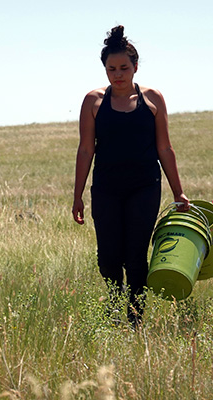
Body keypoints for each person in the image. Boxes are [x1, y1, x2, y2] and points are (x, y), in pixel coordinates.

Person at [72, 26, 189, 327]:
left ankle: (135, 319)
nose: (118, 74)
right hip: (107, 189)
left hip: (144, 187)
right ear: (105, 70)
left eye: (124, 67)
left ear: (135, 67)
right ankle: (114, 307)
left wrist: (178, 192)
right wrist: (77, 196)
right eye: (112, 69)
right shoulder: (93, 102)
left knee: (135, 256)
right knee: (108, 258)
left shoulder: (152, 99)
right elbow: (86, 150)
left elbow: (165, 147)